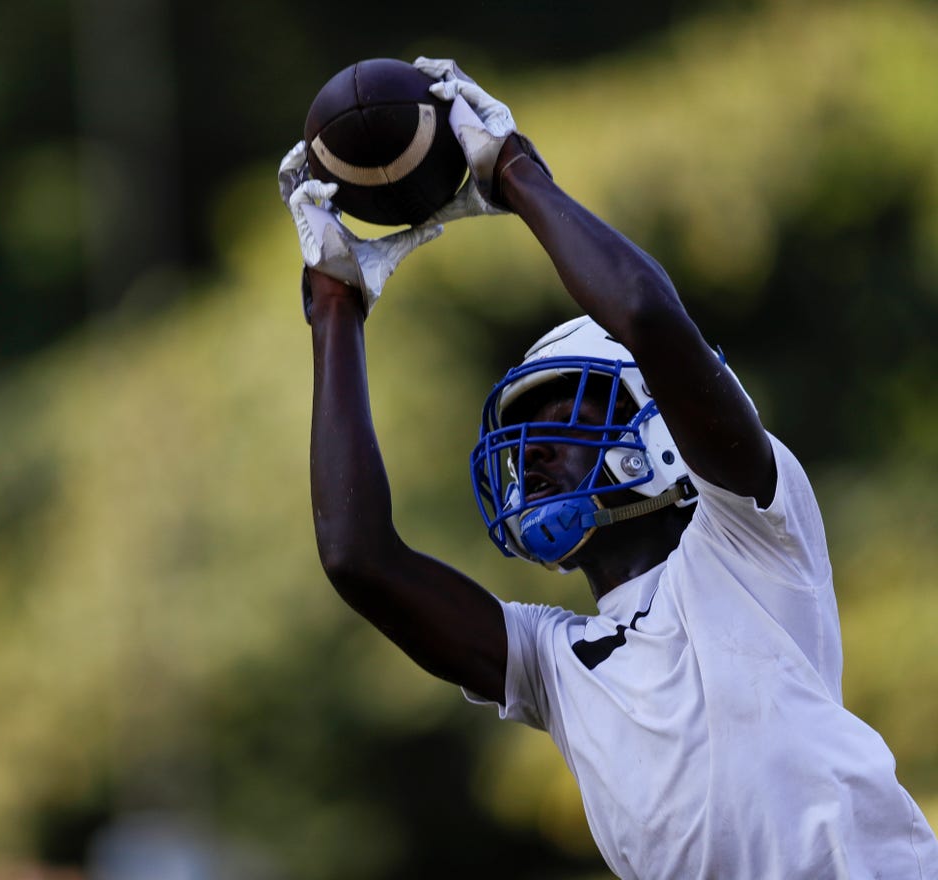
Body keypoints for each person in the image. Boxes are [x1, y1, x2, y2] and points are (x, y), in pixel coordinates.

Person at [279, 57, 938, 879]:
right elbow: (358, 559)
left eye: (563, 419)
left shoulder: (752, 535)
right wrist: (334, 311)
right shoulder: (556, 662)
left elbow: (649, 318)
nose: (534, 455)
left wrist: (517, 173)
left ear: (656, 427)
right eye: (524, 433)